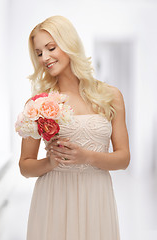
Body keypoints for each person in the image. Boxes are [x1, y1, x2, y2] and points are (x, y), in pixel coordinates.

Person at [19, 15, 130, 240]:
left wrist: (86, 156)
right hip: (54, 198)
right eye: (39, 53)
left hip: (96, 195)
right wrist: (50, 162)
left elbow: (124, 158)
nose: (45, 58)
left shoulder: (110, 96)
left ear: (69, 44)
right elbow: (25, 166)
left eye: (51, 48)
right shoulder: (39, 103)